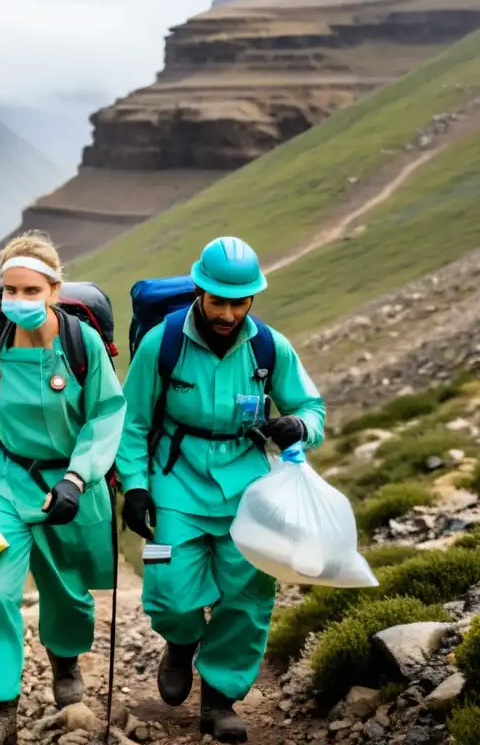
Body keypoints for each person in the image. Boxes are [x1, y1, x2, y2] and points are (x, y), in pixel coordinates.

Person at [116, 236, 326, 743]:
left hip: (246, 487)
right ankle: (181, 643)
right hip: (175, 480)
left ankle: (219, 699)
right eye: (218, 301)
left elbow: (311, 408)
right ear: (200, 292)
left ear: (252, 298)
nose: (228, 312)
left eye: (240, 301)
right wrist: (136, 487)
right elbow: (134, 423)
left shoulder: (269, 348)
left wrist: (299, 427)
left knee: (247, 593)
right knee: (169, 591)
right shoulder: (160, 344)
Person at [0, 232, 127, 745]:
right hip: (7, 480)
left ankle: (65, 664)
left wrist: (77, 478)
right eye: (10, 291)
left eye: (30, 291)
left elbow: (106, 416)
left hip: (69, 485)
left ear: (54, 290)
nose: (18, 301)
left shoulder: (80, 346)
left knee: (67, 591)